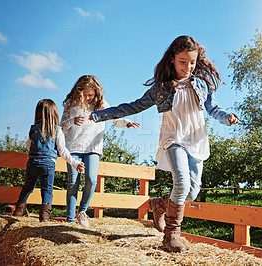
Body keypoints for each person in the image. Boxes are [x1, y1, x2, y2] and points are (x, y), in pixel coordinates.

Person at [90, 36, 239, 252]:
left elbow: (214, 109)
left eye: (192, 62)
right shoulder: (161, 88)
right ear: (172, 59)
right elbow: (133, 106)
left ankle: (159, 205)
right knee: (181, 184)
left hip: (196, 141)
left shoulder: (202, 85)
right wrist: (98, 115)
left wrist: (228, 117)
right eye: (182, 62)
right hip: (173, 140)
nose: (188, 67)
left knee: (191, 193)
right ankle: (171, 237)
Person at [60, 75, 140, 227]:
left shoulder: (102, 104)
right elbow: (61, 126)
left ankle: (82, 212)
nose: (88, 98)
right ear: (79, 92)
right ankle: (70, 219)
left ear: (96, 94)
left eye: (91, 95)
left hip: (93, 148)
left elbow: (115, 118)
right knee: (73, 183)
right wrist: (72, 121)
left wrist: (127, 123)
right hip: (73, 148)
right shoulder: (71, 104)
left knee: (91, 179)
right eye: (85, 95)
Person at [13, 99, 85, 222]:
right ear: (54, 113)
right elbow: (62, 151)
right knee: (47, 190)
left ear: (38, 113)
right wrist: (75, 163)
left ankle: (18, 211)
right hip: (48, 164)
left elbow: (28, 146)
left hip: (32, 163)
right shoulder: (57, 130)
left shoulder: (33, 128)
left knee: (27, 187)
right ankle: (44, 217)